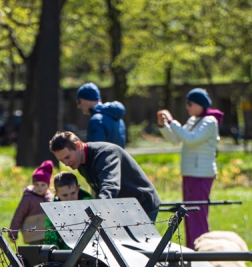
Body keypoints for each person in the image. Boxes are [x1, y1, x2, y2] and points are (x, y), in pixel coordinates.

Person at [157, 88, 224, 247]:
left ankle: (202, 249)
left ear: (200, 104)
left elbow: (191, 139)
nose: (187, 107)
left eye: (190, 103)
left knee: (197, 214)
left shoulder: (209, 121)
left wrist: (172, 121)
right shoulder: (194, 120)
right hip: (190, 173)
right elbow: (176, 139)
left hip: (201, 175)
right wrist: (163, 125)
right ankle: (191, 249)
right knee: (188, 214)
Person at [49, 131, 161, 221]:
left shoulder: (105, 154)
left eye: (67, 157)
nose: (66, 163)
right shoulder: (79, 161)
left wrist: (99, 211)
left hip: (141, 203)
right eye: (61, 160)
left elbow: (109, 186)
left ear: (78, 145)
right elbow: (97, 188)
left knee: (135, 246)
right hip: (121, 206)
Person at [44, 171, 92, 249]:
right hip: (65, 255)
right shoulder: (53, 211)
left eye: (73, 193)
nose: (70, 199)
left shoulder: (88, 206)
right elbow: (51, 237)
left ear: (78, 188)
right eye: (65, 195)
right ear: (56, 194)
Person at [9, 160, 54, 243]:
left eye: (43, 185)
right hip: (33, 235)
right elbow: (19, 215)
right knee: (35, 253)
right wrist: (13, 233)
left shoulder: (50, 197)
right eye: (37, 184)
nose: (39, 188)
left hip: (48, 235)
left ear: (48, 185)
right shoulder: (28, 198)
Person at [76, 82, 127, 148]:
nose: (78, 106)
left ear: (87, 100)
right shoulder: (118, 118)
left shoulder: (96, 120)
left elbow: (95, 151)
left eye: (79, 101)